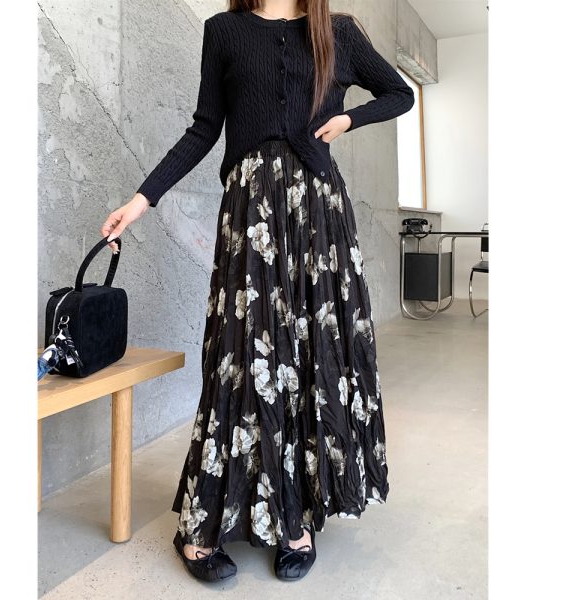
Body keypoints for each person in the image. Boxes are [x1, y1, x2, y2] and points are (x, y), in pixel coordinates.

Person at [100, 0, 414, 583]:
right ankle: (203, 523)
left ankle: (295, 518)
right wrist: (141, 200)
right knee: (243, 358)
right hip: (251, 216)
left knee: (310, 358)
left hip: (318, 216)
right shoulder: (224, 32)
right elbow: (204, 128)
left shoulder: (337, 32)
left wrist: (349, 120)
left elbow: (400, 94)